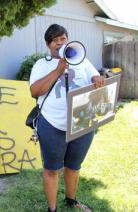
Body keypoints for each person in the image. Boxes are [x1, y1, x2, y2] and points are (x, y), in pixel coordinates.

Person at [29, 24, 104, 212]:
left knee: (74, 166)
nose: (61, 43)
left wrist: (97, 78)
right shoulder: (41, 65)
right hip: (52, 124)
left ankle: (71, 200)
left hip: (81, 123)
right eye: (56, 40)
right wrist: (58, 69)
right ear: (49, 44)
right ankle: (52, 209)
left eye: (63, 39)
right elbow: (34, 91)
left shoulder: (81, 59)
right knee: (52, 169)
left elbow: (94, 75)